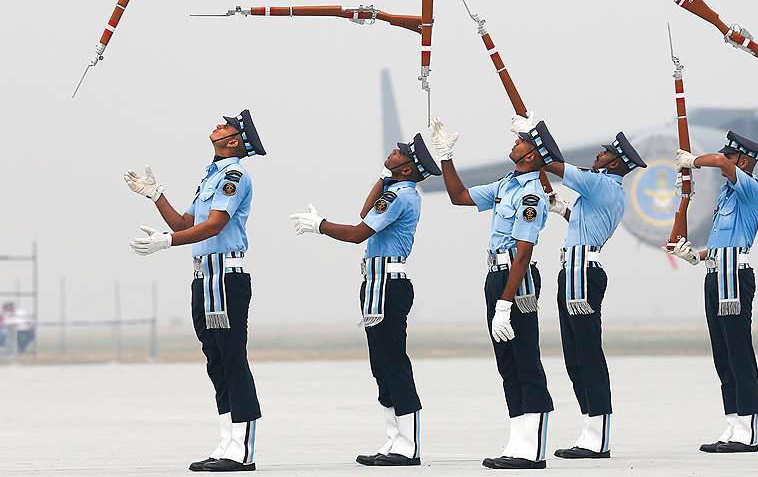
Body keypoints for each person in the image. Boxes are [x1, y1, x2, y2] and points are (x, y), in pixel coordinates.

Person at [124, 109, 266, 472]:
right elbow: (185, 223)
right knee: (215, 360)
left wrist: (167, 242)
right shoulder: (211, 177)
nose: (219, 125)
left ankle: (243, 449)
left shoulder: (234, 176)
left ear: (233, 141)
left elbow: (215, 226)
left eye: (227, 126)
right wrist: (156, 195)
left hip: (226, 277)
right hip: (204, 277)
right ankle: (226, 442)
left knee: (233, 359)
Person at [289, 134, 441, 467]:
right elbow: (365, 213)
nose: (394, 150)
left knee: (393, 363)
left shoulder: (399, 196)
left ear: (407, 168)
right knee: (381, 365)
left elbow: (359, 233)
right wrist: (384, 176)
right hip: (377, 282)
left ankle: (408, 445)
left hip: (388, 284)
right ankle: (394, 439)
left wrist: (321, 226)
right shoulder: (394, 190)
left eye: (400, 153)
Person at [430, 116, 564, 470]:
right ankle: (517, 441)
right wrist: (446, 157)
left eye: (521, 141)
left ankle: (533, 449)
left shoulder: (531, 194)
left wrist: (505, 302)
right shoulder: (507, 184)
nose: (515, 142)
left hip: (516, 280)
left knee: (526, 361)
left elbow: (524, 251)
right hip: (496, 274)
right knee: (508, 364)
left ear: (532, 155)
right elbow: (459, 197)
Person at [540, 131, 647, 459]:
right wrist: (563, 211)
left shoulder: (599, 183)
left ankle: (598, 436)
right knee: (575, 356)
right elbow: (585, 224)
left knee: (587, 353)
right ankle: (590, 428)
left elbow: (552, 163)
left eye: (605, 152)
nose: (598, 154)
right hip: (574, 270)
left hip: (582, 274)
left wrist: (531, 131)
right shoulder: (606, 189)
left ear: (614, 163)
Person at [668, 131, 758, 454]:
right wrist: (694, 255)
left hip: (735, 277)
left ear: (744, 162)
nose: (724, 161)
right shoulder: (726, 195)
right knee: (722, 353)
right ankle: (734, 421)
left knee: (739, 351)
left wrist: (693, 161)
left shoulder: (752, 190)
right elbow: (720, 244)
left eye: (730, 157)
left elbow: (721, 163)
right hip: (716, 273)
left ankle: (748, 428)